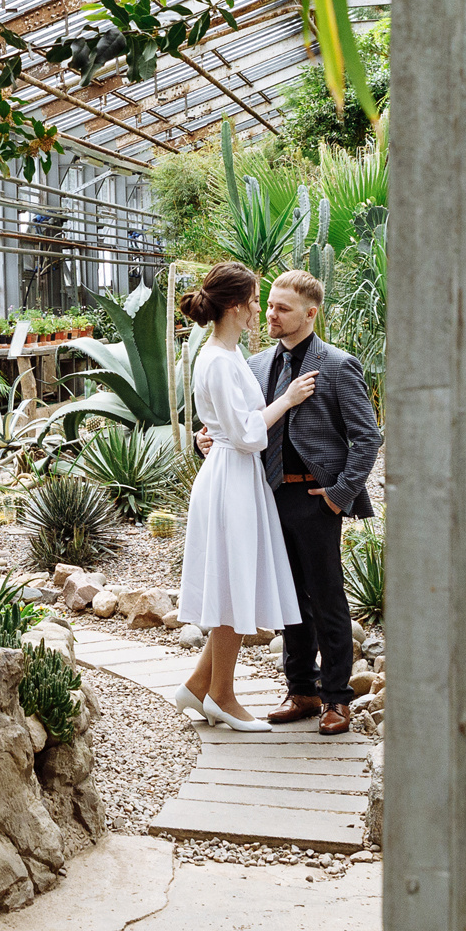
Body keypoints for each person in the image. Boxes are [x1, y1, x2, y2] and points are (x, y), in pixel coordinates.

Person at [226, 268, 382, 733]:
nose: (270, 314)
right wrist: (205, 442)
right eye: (269, 305)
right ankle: (303, 691)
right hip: (269, 495)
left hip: (316, 500)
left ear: (310, 314)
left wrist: (337, 496)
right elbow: (245, 427)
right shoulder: (255, 365)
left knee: (327, 598)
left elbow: (367, 439)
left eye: (282, 308)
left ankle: (338, 698)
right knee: (288, 598)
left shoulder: (337, 364)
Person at [174, 261, 316, 731]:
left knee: (238, 580)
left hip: (239, 474)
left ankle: (198, 688)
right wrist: (289, 399)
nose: (261, 309)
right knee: (234, 586)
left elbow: (230, 423)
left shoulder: (230, 354)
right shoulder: (216, 359)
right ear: (237, 307)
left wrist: (213, 432)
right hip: (231, 475)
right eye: (256, 300)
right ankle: (222, 697)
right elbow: (249, 432)